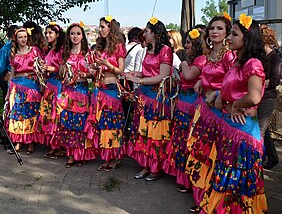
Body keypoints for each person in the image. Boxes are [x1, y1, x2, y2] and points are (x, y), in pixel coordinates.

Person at [187, 14, 268, 213]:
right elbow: (225, 87)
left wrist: (235, 104)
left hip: (243, 132)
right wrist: (219, 95)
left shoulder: (253, 64)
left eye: (233, 33)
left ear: (246, 38)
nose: (228, 38)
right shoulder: (238, 63)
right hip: (229, 127)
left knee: (238, 184)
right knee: (225, 177)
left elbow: (255, 97)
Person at [186, 14, 234, 213]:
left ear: (227, 33)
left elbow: (234, 82)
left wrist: (216, 91)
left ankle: (210, 200)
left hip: (219, 113)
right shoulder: (208, 55)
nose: (215, 31)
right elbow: (207, 75)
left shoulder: (228, 55)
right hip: (203, 109)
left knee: (215, 157)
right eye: (212, 28)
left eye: (220, 28)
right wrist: (201, 82)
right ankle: (202, 196)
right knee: (202, 154)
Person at [126, 17, 173, 181]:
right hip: (144, 97)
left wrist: (140, 80)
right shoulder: (148, 49)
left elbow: (163, 76)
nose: (143, 33)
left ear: (155, 32)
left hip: (157, 99)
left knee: (155, 133)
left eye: (146, 30)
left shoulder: (166, 50)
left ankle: (156, 167)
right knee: (143, 132)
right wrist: (135, 74)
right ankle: (145, 165)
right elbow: (148, 72)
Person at [163, 28, 204, 192]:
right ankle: (181, 176)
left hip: (192, 104)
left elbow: (188, 75)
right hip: (183, 101)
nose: (185, 45)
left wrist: (183, 64)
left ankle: (187, 180)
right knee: (180, 138)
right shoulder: (194, 59)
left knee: (188, 140)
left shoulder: (200, 60)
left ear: (196, 43)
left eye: (188, 42)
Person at [84, 16, 127, 172]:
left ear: (111, 28)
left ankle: (114, 156)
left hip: (111, 90)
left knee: (112, 125)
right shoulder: (100, 47)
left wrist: (107, 64)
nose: (100, 29)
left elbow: (120, 71)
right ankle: (105, 156)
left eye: (103, 26)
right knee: (101, 124)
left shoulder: (119, 47)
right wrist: (94, 67)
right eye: (99, 27)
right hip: (99, 90)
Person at [51, 22, 93, 167]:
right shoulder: (65, 53)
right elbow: (61, 72)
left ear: (82, 36)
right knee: (68, 123)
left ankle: (81, 154)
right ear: (68, 36)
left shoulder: (88, 53)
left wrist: (84, 74)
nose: (75, 36)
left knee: (80, 123)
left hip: (81, 91)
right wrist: (64, 70)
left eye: (78, 33)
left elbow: (93, 74)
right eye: (72, 33)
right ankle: (70, 154)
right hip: (68, 91)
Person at [6, 27, 44, 155]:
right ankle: (19, 141)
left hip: (31, 86)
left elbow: (40, 70)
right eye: (20, 37)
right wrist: (7, 93)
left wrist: (42, 86)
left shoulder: (34, 51)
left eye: (25, 36)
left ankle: (30, 142)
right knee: (17, 114)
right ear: (16, 39)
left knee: (31, 113)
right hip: (17, 87)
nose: (23, 39)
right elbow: (12, 74)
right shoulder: (13, 54)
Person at [38, 22, 66, 158]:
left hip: (59, 84)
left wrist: (49, 69)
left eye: (50, 33)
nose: (48, 35)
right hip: (49, 85)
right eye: (46, 33)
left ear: (57, 34)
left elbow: (63, 69)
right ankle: (53, 144)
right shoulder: (49, 50)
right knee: (49, 115)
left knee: (57, 115)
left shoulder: (62, 50)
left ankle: (60, 146)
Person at [258, 24, 281, 169]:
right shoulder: (259, 57)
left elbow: (275, 80)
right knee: (263, 130)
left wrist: (257, 82)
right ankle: (272, 157)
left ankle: (257, 161)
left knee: (260, 130)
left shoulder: (275, 57)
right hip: (258, 95)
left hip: (267, 97)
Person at [0, 25, 18, 104]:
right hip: (12, 77)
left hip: (10, 77)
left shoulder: (5, 48)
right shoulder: (7, 48)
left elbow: (1, 67)